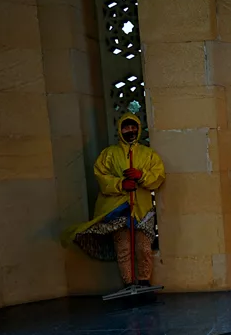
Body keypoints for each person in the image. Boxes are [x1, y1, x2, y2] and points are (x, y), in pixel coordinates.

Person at [62, 112, 166, 287]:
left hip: (143, 210)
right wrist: (121, 184)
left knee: (143, 249)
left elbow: (158, 176)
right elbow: (102, 177)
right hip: (118, 210)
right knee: (123, 249)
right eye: (126, 127)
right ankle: (129, 285)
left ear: (139, 129)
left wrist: (141, 176)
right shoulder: (109, 154)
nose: (130, 130)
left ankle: (144, 283)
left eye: (133, 127)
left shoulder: (149, 155)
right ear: (120, 130)